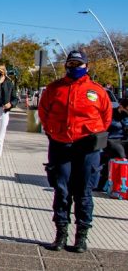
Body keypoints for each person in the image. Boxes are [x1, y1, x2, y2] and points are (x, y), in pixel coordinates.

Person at [39, 50, 112, 253]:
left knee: (84, 191)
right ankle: (60, 234)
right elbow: (43, 112)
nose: (74, 67)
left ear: (86, 67)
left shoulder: (97, 91)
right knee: (62, 190)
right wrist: (53, 132)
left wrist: (91, 134)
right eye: (71, 63)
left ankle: (81, 237)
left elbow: (106, 118)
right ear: (66, 66)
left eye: (79, 64)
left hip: (87, 148)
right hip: (61, 144)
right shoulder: (54, 89)